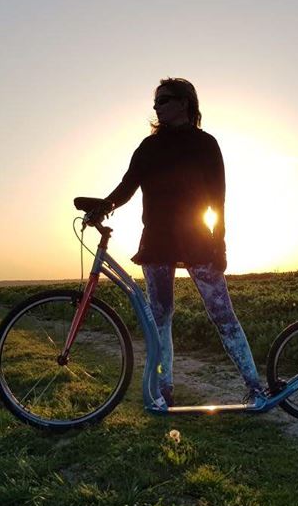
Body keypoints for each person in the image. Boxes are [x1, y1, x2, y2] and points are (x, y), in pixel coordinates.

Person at [100, 78, 267, 408]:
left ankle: (255, 388)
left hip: (197, 242)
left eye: (163, 100)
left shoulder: (205, 144)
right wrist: (101, 207)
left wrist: (220, 245)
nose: (156, 107)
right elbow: (126, 187)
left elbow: (217, 202)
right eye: (155, 102)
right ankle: (164, 390)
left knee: (223, 316)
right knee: (160, 318)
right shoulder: (148, 148)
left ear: (184, 103)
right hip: (157, 243)